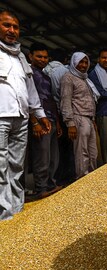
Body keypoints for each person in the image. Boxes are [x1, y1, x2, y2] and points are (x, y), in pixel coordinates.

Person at [0, 9, 51, 220]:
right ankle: (5, 215)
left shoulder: (20, 56)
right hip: (1, 117)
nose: (12, 30)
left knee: (17, 166)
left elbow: (29, 89)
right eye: (6, 25)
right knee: (0, 166)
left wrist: (39, 114)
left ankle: (16, 208)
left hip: (20, 118)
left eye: (15, 27)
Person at [25, 42, 63, 202]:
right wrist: (34, 122)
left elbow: (52, 100)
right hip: (40, 121)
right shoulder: (28, 74)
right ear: (30, 56)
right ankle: (40, 188)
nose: (42, 59)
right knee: (42, 156)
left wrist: (58, 123)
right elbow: (28, 100)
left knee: (53, 157)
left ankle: (50, 184)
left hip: (51, 120)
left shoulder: (46, 76)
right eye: (39, 56)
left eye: (45, 57)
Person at [60, 52, 99, 180]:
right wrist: (70, 123)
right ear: (74, 63)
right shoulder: (68, 77)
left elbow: (90, 100)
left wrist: (93, 119)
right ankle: (82, 181)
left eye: (85, 62)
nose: (83, 65)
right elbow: (65, 100)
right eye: (80, 62)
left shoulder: (85, 78)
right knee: (82, 152)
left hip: (88, 118)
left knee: (93, 153)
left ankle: (92, 179)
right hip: (78, 117)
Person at [44, 48, 76, 186]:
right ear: (65, 60)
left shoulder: (45, 71)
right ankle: (66, 177)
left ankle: (51, 179)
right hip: (63, 113)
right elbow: (65, 96)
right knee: (66, 148)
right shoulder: (66, 72)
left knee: (51, 150)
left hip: (48, 112)